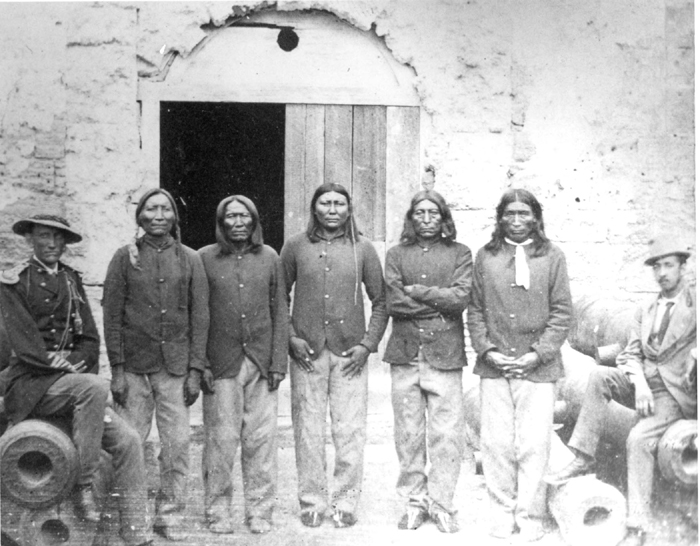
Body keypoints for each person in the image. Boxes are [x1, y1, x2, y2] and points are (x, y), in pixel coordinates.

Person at [0, 214, 152, 546]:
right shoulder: (15, 283)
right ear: (32, 240)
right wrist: (68, 368)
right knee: (95, 386)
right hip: (31, 386)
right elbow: (26, 348)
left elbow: (90, 340)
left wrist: (74, 363)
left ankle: (136, 533)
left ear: (65, 243)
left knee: (128, 441)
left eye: (58, 238)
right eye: (44, 236)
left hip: (72, 386)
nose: (52, 244)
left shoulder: (71, 280)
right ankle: (84, 486)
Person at [545, 234, 696, 546]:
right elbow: (629, 353)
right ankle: (583, 454)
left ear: (682, 267)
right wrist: (638, 382)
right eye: (657, 267)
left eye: (669, 265)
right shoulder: (647, 309)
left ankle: (638, 525)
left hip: (676, 394)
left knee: (638, 439)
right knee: (600, 375)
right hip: (647, 385)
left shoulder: (694, 308)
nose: (663, 273)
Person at [102, 189, 209, 541]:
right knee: (130, 444)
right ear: (140, 216)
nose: (158, 215)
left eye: (165, 209)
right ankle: (132, 517)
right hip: (134, 368)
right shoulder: (124, 258)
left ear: (174, 216)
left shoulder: (190, 259)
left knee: (177, 445)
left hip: (174, 371)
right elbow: (112, 315)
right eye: (151, 209)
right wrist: (117, 369)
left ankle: (170, 514)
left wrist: (195, 370)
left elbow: (200, 316)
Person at [280, 182, 388, 528]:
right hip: (306, 353)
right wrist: (291, 337)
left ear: (349, 209)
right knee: (308, 430)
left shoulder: (363, 249)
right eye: (325, 203)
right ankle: (311, 501)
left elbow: (382, 301)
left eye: (339, 204)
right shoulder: (295, 246)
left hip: (348, 353)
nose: (332, 209)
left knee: (349, 430)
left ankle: (345, 501)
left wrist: (367, 345)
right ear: (314, 209)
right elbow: (278, 297)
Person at [467, 189, 572, 542]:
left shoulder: (552, 257)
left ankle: (530, 516)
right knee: (496, 444)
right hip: (495, 365)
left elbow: (561, 313)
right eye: (509, 214)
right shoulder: (486, 257)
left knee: (533, 444)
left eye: (523, 213)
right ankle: (500, 515)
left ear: (535, 218)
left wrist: (537, 353)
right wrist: (487, 350)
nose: (516, 220)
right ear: (500, 219)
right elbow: (476, 311)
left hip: (538, 368)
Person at [198, 195, 288, 535]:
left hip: (261, 363)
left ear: (254, 222)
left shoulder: (270, 258)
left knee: (261, 441)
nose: (238, 223)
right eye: (231, 217)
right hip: (221, 363)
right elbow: (198, 313)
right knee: (221, 442)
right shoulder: (204, 258)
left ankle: (259, 511)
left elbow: (280, 310)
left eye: (244, 217)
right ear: (221, 223)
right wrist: (201, 362)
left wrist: (278, 360)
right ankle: (217, 510)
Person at [384, 190, 472, 533]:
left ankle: (443, 504)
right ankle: (414, 503)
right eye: (419, 213)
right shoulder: (396, 254)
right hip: (405, 354)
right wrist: (439, 303)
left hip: (445, 355)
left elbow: (460, 298)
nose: (425, 219)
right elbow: (394, 303)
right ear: (411, 217)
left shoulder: (460, 253)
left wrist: (418, 292)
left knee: (447, 434)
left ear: (443, 217)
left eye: (433, 213)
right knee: (408, 432)